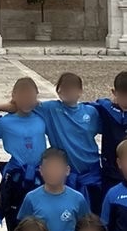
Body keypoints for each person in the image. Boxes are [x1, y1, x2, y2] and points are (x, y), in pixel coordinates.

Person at [0, 77, 52, 231]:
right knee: (15, 219)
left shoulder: (41, 116)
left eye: (31, 97)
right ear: (14, 96)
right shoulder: (4, 123)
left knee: (40, 218)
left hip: (40, 175)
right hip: (17, 176)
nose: (27, 101)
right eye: (23, 96)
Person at [39, 72, 105, 209]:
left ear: (80, 91)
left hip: (91, 172)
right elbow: (22, 105)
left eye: (71, 88)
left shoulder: (91, 112)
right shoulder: (50, 109)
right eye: (63, 88)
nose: (67, 92)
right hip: (66, 175)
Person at [18, 148, 89, 231]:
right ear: (41, 170)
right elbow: (23, 229)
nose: (53, 172)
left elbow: (85, 228)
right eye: (49, 168)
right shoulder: (31, 198)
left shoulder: (78, 199)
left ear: (67, 170)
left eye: (57, 168)